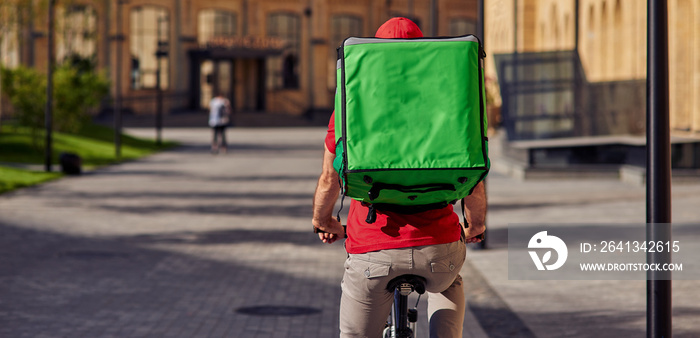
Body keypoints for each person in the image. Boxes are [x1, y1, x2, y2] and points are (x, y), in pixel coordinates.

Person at [312, 17, 487, 338]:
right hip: (439, 249)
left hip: (373, 250)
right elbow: (473, 176)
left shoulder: (352, 107)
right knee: (449, 280)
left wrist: (325, 222)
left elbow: (328, 179)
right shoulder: (449, 108)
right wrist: (475, 226)